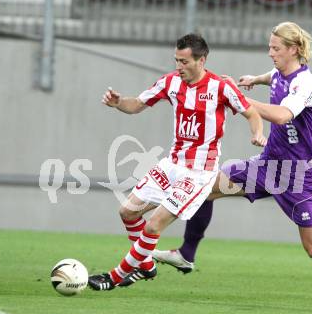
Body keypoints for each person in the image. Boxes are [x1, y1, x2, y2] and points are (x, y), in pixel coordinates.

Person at [152, 22, 312, 308]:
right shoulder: (281, 73)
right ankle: (187, 253)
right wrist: (252, 79)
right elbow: (271, 77)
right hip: (266, 165)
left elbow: (283, 115)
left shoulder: (305, 84)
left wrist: (239, 97)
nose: (270, 52)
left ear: (294, 49)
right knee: (203, 188)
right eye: (270, 46)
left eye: (276, 48)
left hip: (298, 175)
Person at [88, 33, 267, 291]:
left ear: (201, 60)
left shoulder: (220, 87)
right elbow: (137, 104)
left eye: (184, 62)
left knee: (153, 225)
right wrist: (118, 103)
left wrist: (257, 133)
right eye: (176, 61)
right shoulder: (171, 82)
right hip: (171, 165)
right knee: (127, 212)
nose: (178, 67)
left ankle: (114, 277)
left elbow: (251, 112)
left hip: (198, 174)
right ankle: (147, 265)